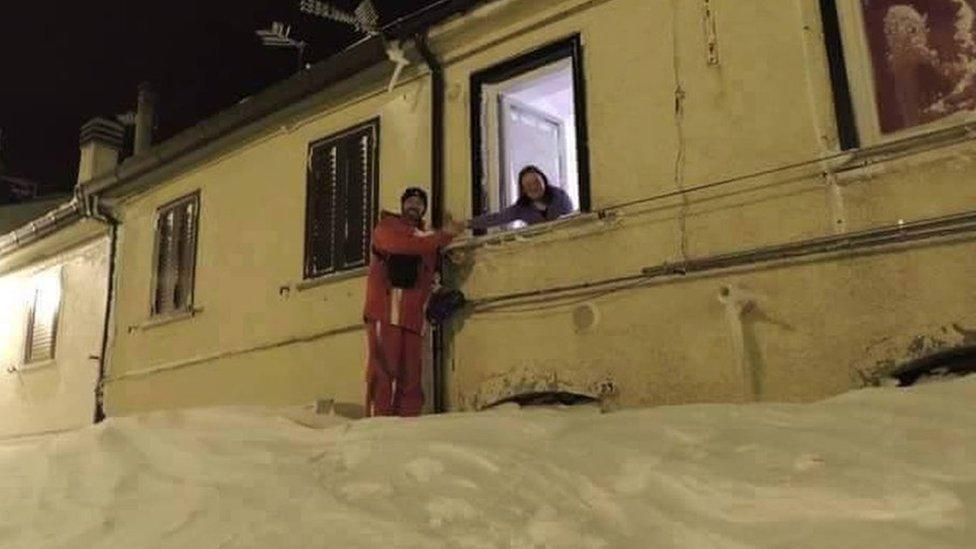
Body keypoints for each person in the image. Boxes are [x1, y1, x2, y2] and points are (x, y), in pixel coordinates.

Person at [363, 187, 463, 417]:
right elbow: (407, 245)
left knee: (412, 376)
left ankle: (408, 429)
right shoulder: (387, 228)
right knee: (383, 372)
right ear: (402, 204)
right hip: (385, 311)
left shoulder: (427, 238)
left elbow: (430, 271)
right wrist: (445, 235)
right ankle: (377, 426)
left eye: (419, 203)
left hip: (414, 316)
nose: (414, 206)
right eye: (410, 201)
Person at [468, 165, 575, 231]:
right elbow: (496, 218)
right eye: (528, 185)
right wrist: (466, 224)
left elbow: (572, 221)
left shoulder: (560, 197)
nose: (533, 187)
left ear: (544, 182)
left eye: (536, 182)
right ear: (523, 189)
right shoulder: (521, 208)